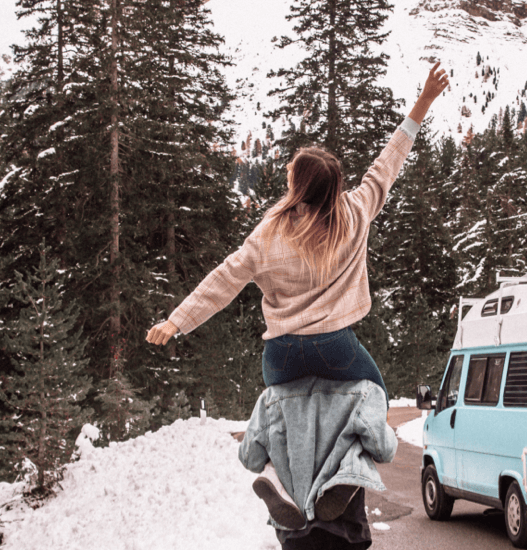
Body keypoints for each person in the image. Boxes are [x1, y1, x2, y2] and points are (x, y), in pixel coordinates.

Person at [145, 61, 448, 528]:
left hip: (282, 354)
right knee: (372, 398)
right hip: (336, 348)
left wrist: (177, 321)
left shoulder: (268, 236)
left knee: (272, 419)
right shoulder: (354, 213)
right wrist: (424, 101)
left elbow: (223, 281)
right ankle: (347, 474)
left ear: (298, 186)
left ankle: (276, 481)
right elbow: (389, 163)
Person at [238, 376, 397, 549]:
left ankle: (278, 484)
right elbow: (384, 451)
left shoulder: (270, 397)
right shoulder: (365, 390)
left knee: (275, 454)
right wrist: (383, 426)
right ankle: (344, 476)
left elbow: (250, 459)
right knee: (358, 445)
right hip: (345, 526)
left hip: (295, 528)